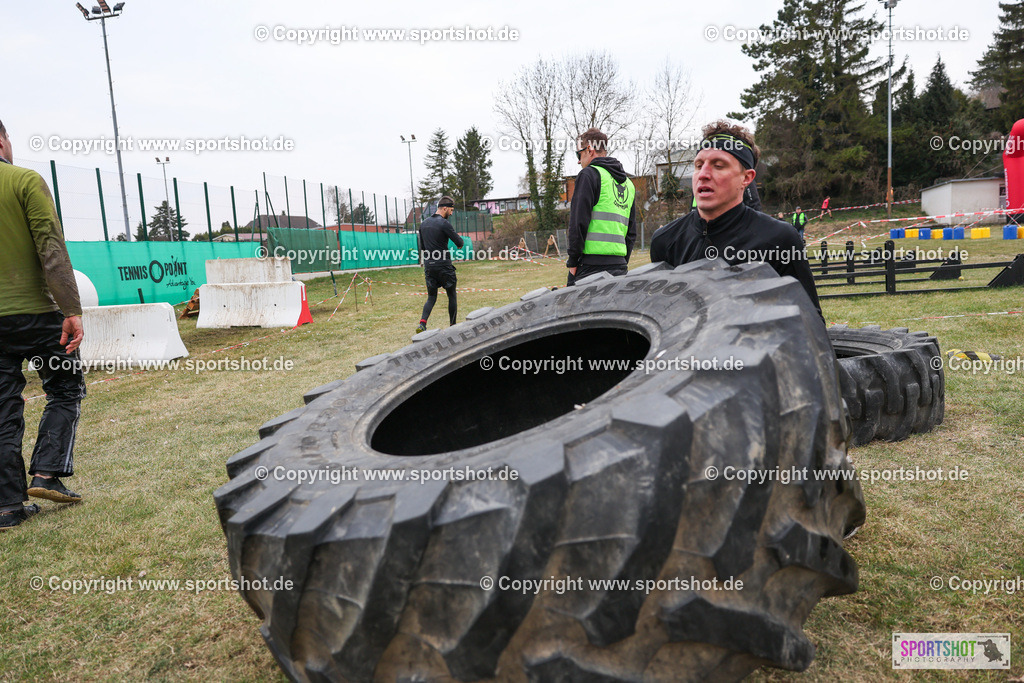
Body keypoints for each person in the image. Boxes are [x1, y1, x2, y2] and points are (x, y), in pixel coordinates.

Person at [0, 118, 86, 531]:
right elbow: (50, 247)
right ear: (2, 140)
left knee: (2, 409)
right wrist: (71, 308)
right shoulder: (24, 180)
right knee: (66, 388)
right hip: (38, 314)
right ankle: (47, 474)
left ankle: (7, 506)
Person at [650, 120, 823, 320]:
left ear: (746, 178)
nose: (703, 174)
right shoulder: (664, 240)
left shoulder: (779, 239)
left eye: (718, 165)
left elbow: (810, 321)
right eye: (698, 165)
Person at [567, 128, 637, 286]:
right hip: (619, 267)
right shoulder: (629, 184)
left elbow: (578, 223)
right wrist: (621, 262)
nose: (579, 160)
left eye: (579, 154)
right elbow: (631, 233)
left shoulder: (588, 175)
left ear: (590, 150)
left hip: (590, 268)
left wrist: (572, 263)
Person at [415, 196, 464, 333]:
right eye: (451, 210)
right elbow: (460, 243)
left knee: (431, 297)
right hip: (444, 266)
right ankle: (453, 326)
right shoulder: (444, 223)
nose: (452, 213)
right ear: (445, 208)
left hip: (429, 266)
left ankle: (422, 324)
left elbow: (423, 248)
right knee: (451, 295)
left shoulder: (423, 224)